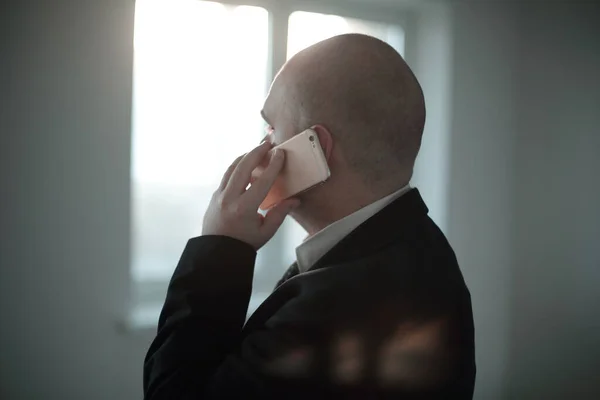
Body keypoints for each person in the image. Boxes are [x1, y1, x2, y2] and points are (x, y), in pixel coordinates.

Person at [143, 33, 476, 399]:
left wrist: (218, 251)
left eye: (271, 129)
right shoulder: (422, 248)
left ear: (316, 147)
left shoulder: (335, 311)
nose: (262, 149)